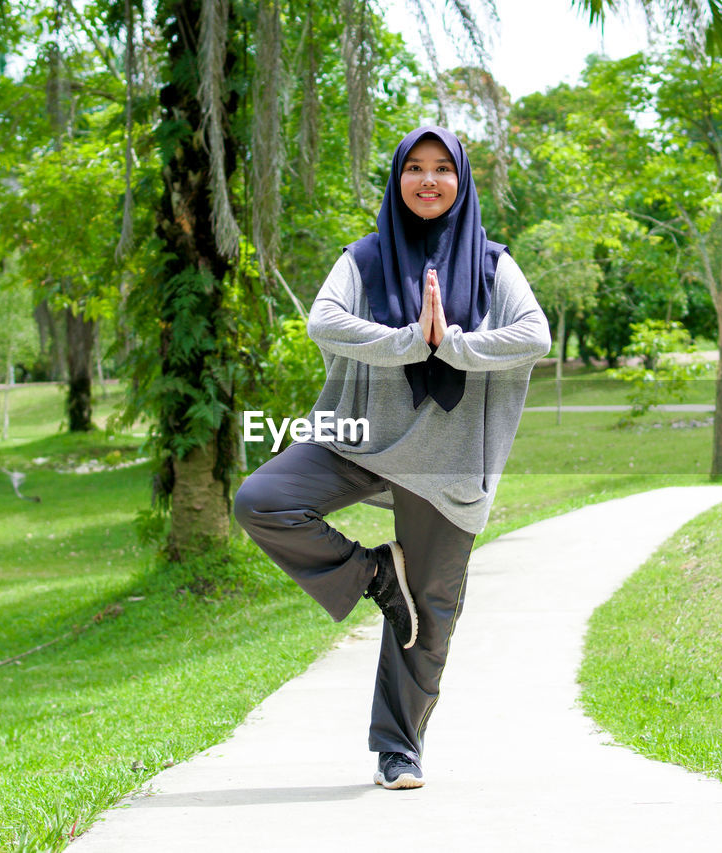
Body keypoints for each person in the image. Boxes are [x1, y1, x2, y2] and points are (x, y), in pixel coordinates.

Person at [233, 125, 550, 790]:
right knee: (262, 501)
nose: (429, 180)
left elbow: (533, 333)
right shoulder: (366, 258)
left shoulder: (494, 262)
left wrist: (454, 343)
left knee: (432, 606)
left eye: (443, 168)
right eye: (415, 167)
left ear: (461, 182)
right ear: (397, 179)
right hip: (361, 437)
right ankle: (378, 575)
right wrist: (410, 339)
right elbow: (324, 320)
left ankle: (399, 748)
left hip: (446, 459)